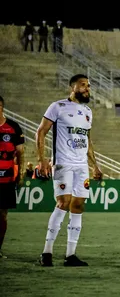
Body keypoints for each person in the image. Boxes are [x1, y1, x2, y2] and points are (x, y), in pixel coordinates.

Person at [37, 75, 103, 267]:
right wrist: (41, 161)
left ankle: (70, 255)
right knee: (63, 202)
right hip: (63, 163)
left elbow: (87, 140)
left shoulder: (88, 111)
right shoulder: (57, 107)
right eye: (83, 85)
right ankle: (47, 252)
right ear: (72, 86)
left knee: (78, 206)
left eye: (88, 86)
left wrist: (95, 165)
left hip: (81, 165)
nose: (87, 89)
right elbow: (41, 131)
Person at [0, 95, 25, 258]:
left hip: (6, 179)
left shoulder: (13, 127)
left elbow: (20, 152)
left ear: (1, 107)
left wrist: (20, 172)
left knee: (2, 214)